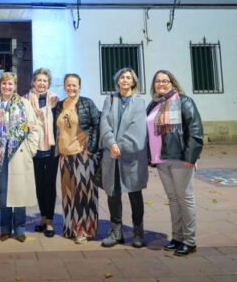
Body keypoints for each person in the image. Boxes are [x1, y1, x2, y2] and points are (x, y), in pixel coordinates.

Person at [147, 69, 204, 257]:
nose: (161, 84)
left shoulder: (184, 101)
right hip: (161, 159)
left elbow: (195, 129)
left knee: (185, 198)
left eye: (165, 81)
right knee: (173, 199)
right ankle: (177, 237)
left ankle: (190, 241)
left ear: (173, 82)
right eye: (157, 81)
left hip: (180, 159)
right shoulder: (154, 104)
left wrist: (191, 157)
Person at [0, 72, 40, 242]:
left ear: (15, 86)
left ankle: (20, 229)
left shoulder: (24, 104)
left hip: (18, 155)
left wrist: (30, 149)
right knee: (4, 192)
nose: (7, 87)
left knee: (19, 192)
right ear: (1, 85)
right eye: (4, 84)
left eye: (10, 84)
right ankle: (5, 228)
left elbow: (34, 128)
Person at [99, 68, 149, 248]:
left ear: (134, 82)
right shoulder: (110, 99)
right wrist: (111, 143)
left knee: (135, 193)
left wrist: (119, 146)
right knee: (113, 193)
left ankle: (138, 231)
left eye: (129, 78)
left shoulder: (139, 102)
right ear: (117, 81)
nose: (125, 80)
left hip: (132, 155)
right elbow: (104, 122)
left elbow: (137, 129)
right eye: (122, 77)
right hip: (112, 155)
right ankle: (116, 231)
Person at [56, 73, 100, 244]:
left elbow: (97, 125)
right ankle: (70, 228)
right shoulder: (60, 105)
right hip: (64, 156)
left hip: (83, 154)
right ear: (64, 86)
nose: (71, 88)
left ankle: (84, 230)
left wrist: (92, 148)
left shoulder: (87, 103)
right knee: (68, 195)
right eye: (68, 85)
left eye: (74, 85)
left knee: (84, 195)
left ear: (79, 86)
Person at [28, 68, 60, 237]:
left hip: (51, 148)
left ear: (49, 83)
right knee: (39, 185)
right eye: (38, 80)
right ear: (33, 82)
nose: (41, 83)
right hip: (34, 148)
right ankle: (42, 217)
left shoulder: (56, 101)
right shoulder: (27, 100)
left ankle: (50, 221)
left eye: (44, 81)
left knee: (50, 185)